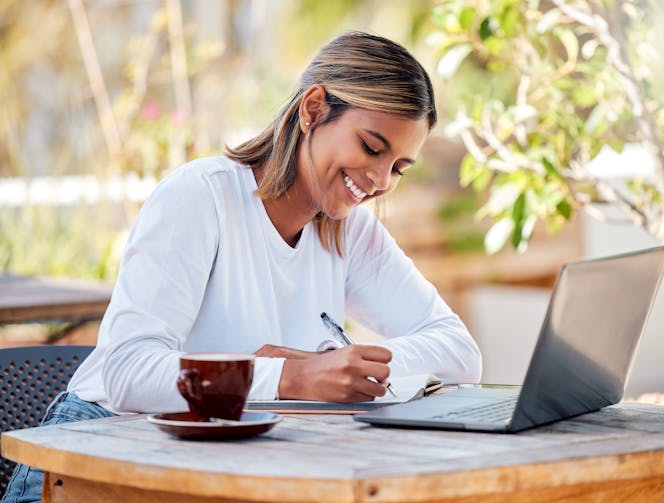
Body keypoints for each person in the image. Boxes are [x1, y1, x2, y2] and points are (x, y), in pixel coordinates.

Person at [1, 31, 482, 502]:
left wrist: (333, 368)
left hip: (209, 469)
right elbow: (129, 372)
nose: (379, 180)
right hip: (91, 459)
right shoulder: (202, 196)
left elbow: (460, 353)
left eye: (399, 167)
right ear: (313, 109)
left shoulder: (349, 231)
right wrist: (289, 378)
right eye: (371, 148)